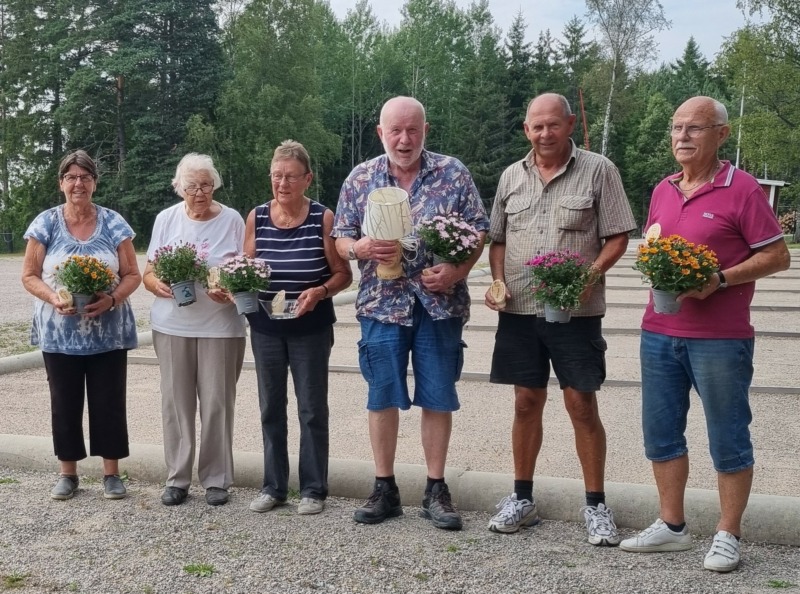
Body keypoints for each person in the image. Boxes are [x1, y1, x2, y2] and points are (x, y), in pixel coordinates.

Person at [619, 96, 791, 571]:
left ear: (721, 133)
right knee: (660, 432)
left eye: (695, 128)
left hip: (720, 337)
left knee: (728, 435)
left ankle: (728, 533)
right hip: (658, 330)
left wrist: (719, 280)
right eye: (677, 128)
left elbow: (778, 256)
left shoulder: (744, 189)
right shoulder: (663, 189)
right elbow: (655, 246)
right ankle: (671, 526)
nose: (682, 137)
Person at [484, 93, 636, 545]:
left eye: (553, 125)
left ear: (570, 124)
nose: (545, 133)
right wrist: (496, 281)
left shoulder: (599, 170)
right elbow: (497, 239)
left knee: (581, 406)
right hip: (519, 311)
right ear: (526, 129)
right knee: (525, 403)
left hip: (576, 311)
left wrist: (590, 276)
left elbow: (617, 235)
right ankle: (522, 498)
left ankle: (595, 505)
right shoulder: (512, 176)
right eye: (536, 126)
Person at [333, 96, 489, 530]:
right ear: (381, 133)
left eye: (413, 130)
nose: (404, 140)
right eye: (395, 131)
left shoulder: (453, 173)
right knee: (381, 394)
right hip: (381, 307)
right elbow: (340, 236)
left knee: (437, 395)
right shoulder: (361, 177)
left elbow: (479, 230)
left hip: (440, 306)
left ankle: (436, 488)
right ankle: (384, 487)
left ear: (426, 129)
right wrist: (358, 248)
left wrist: (457, 271)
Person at [21, 150, 141, 501]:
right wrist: (52, 296)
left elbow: (132, 273)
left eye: (85, 177)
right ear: (61, 183)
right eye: (71, 177)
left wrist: (113, 298)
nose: (78, 184)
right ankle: (68, 473)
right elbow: (29, 275)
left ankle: (111, 474)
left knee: (109, 401)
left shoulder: (114, 222)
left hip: (109, 331)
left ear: (94, 183)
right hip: (59, 334)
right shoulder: (45, 223)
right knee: (64, 402)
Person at [245, 141, 352, 516]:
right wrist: (232, 284)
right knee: (270, 407)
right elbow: (246, 267)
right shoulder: (256, 216)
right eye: (276, 176)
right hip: (265, 327)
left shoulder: (323, 217)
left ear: (307, 179)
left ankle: (313, 488)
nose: (282, 183)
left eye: (291, 176)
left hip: (310, 326)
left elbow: (343, 273)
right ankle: (274, 486)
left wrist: (320, 291)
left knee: (311, 408)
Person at [143, 153, 246, 507]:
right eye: (191, 186)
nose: (199, 192)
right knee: (176, 403)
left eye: (206, 184)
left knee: (218, 403)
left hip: (221, 325)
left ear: (214, 185)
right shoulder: (166, 219)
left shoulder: (232, 219)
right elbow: (150, 271)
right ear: (179, 188)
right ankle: (178, 477)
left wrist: (231, 291)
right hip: (172, 325)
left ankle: (216, 479)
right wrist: (157, 285)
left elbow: (245, 270)